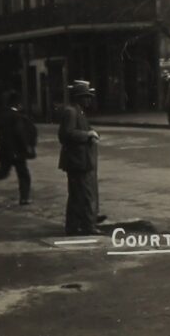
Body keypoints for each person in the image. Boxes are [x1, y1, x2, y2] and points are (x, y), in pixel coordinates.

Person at [58, 80, 102, 236]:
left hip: (82, 159)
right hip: (77, 160)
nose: (88, 100)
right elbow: (66, 134)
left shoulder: (79, 111)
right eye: (86, 96)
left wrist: (90, 131)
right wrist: (87, 135)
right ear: (78, 97)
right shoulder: (71, 111)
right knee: (84, 193)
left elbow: (82, 128)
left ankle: (75, 225)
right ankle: (87, 225)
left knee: (78, 194)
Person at [0, 90, 34, 204]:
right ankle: (24, 198)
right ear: (16, 103)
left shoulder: (2, 116)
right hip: (18, 151)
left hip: (5, 150)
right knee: (24, 175)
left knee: (3, 172)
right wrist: (27, 146)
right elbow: (19, 133)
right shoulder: (17, 116)